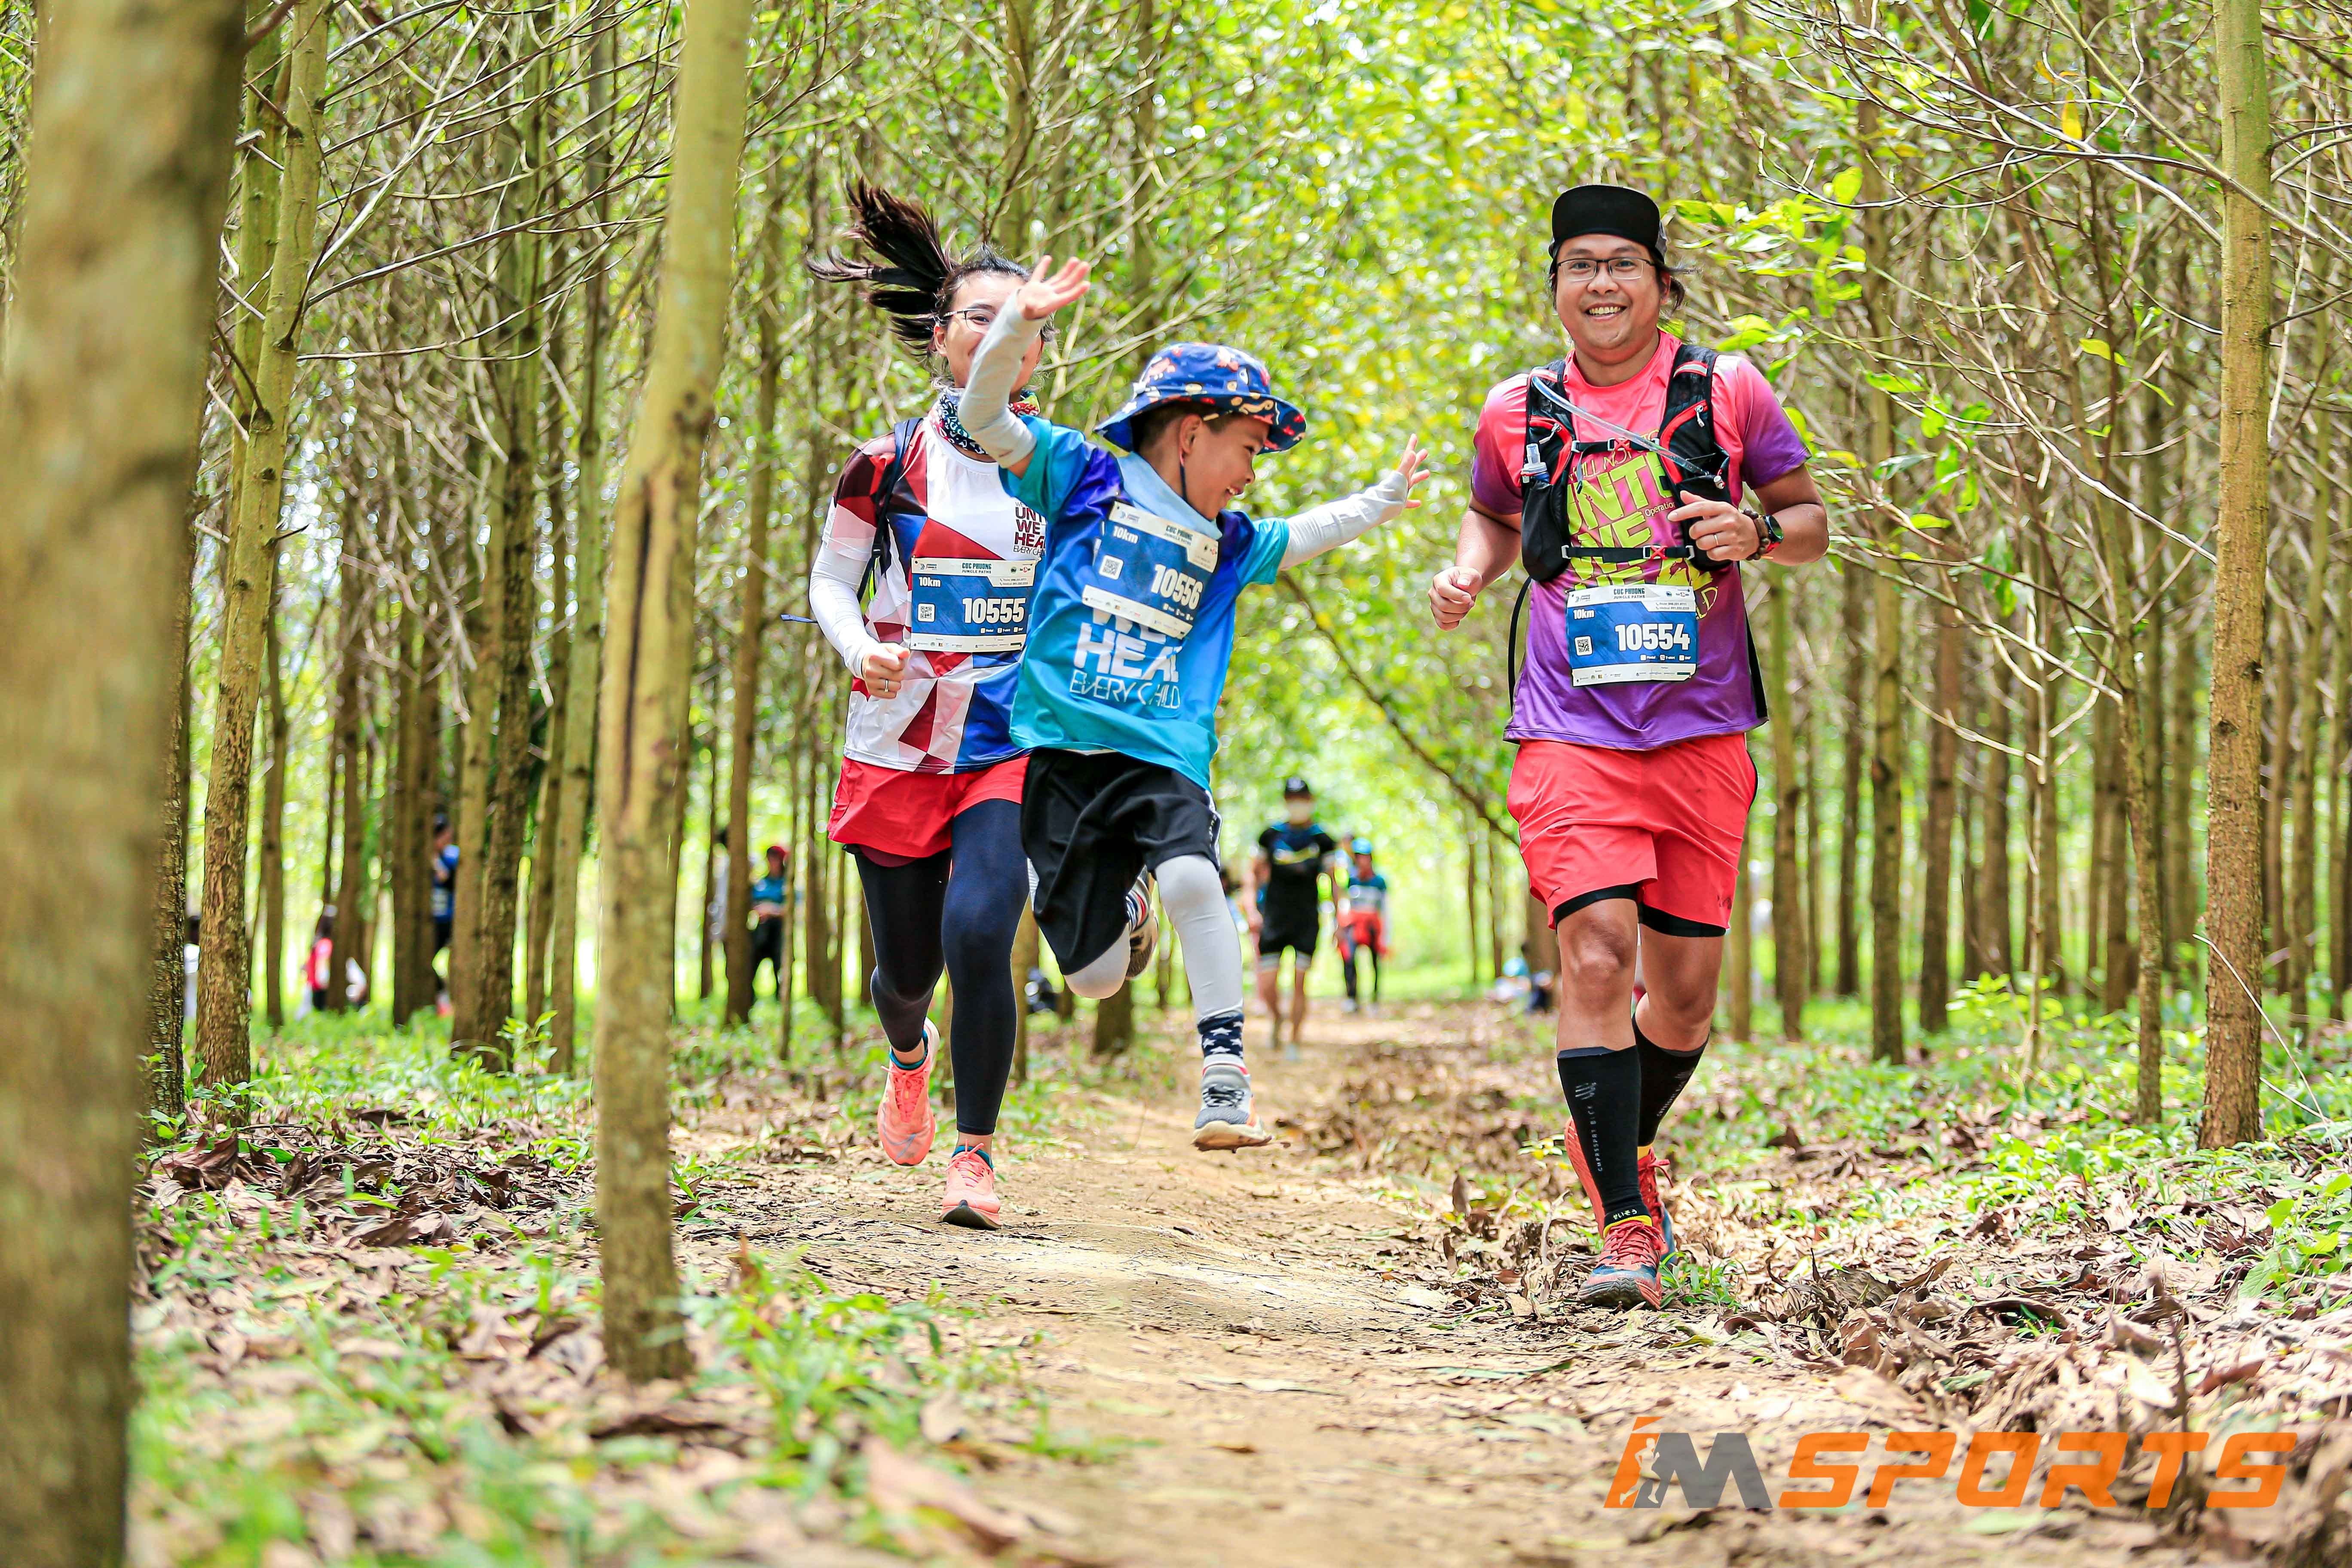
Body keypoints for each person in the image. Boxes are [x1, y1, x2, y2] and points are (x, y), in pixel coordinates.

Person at [1428, 184, 1828, 1311]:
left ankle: (1612, 1134)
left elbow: (1810, 522)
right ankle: (1624, 1224)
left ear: (1660, 282)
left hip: (1703, 730)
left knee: (1685, 999)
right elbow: (1495, 516)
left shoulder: (1728, 390)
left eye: (1622, 264)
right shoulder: (1517, 410)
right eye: (1579, 265)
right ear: (1556, 284)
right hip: (1568, 728)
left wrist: (1755, 529)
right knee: (1597, 956)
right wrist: (1469, 572)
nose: (1600, 284)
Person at [957, 253, 1428, 1152]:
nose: (1251, 473)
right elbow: (983, 416)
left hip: (1161, 753)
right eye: (1247, 448)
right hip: (1060, 756)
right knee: (1093, 977)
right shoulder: (1081, 477)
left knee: (1192, 878)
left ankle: (1224, 1076)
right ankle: (1128, 912)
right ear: (1189, 433)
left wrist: (1382, 500)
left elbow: (1309, 532)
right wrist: (1017, 322)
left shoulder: (1230, 542)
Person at [806, 183, 1045, 1229]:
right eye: (977, 317)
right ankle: (909, 1053)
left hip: (1007, 740)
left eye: (1018, 322)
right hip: (898, 738)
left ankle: (975, 1155)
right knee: (906, 972)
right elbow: (830, 581)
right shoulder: (883, 464)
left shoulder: (1065, 472)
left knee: (980, 931)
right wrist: (861, 648)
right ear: (940, 338)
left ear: (1036, 352)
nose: (996, 335)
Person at [1244, 777, 1339, 1055]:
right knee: (1267, 984)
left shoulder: (1323, 840)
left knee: (1300, 981)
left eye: (1302, 800)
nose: (1297, 805)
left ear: (1310, 801)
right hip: (1274, 919)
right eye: (1292, 800)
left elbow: (1335, 882)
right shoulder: (1270, 836)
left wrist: (1339, 920)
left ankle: (1295, 1041)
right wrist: (1251, 910)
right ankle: (1277, 1018)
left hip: (1306, 920)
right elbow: (1252, 874)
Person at [1337, 836, 1390, 1014]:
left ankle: (1375, 999)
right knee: (1349, 958)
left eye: (1365, 856)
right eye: (1359, 857)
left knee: (1375, 962)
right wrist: (1341, 927)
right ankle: (1352, 998)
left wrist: (1386, 936)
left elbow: (1386, 909)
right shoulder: (1352, 880)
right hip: (1354, 926)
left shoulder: (1379, 881)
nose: (1363, 861)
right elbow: (1345, 904)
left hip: (1373, 926)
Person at [748, 843, 791, 999]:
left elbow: (793, 908)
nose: (772, 862)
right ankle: (750, 998)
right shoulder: (761, 883)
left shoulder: (787, 883)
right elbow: (751, 903)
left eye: (775, 858)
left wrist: (772, 910)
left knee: (780, 967)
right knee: (751, 965)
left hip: (779, 933)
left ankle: (780, 999)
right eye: (770, 858)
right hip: (761, 932)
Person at [429, 815, 457, 1012]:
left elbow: (449, 880)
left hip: (449, 919)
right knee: (427, 961)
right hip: (433, 920)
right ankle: (442, 1000)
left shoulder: (453, 857)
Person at [306, 908, 336, 1014]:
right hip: (321, 993)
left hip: (314, 990)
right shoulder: (325, 944)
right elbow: (322, 974)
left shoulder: (317, 943)